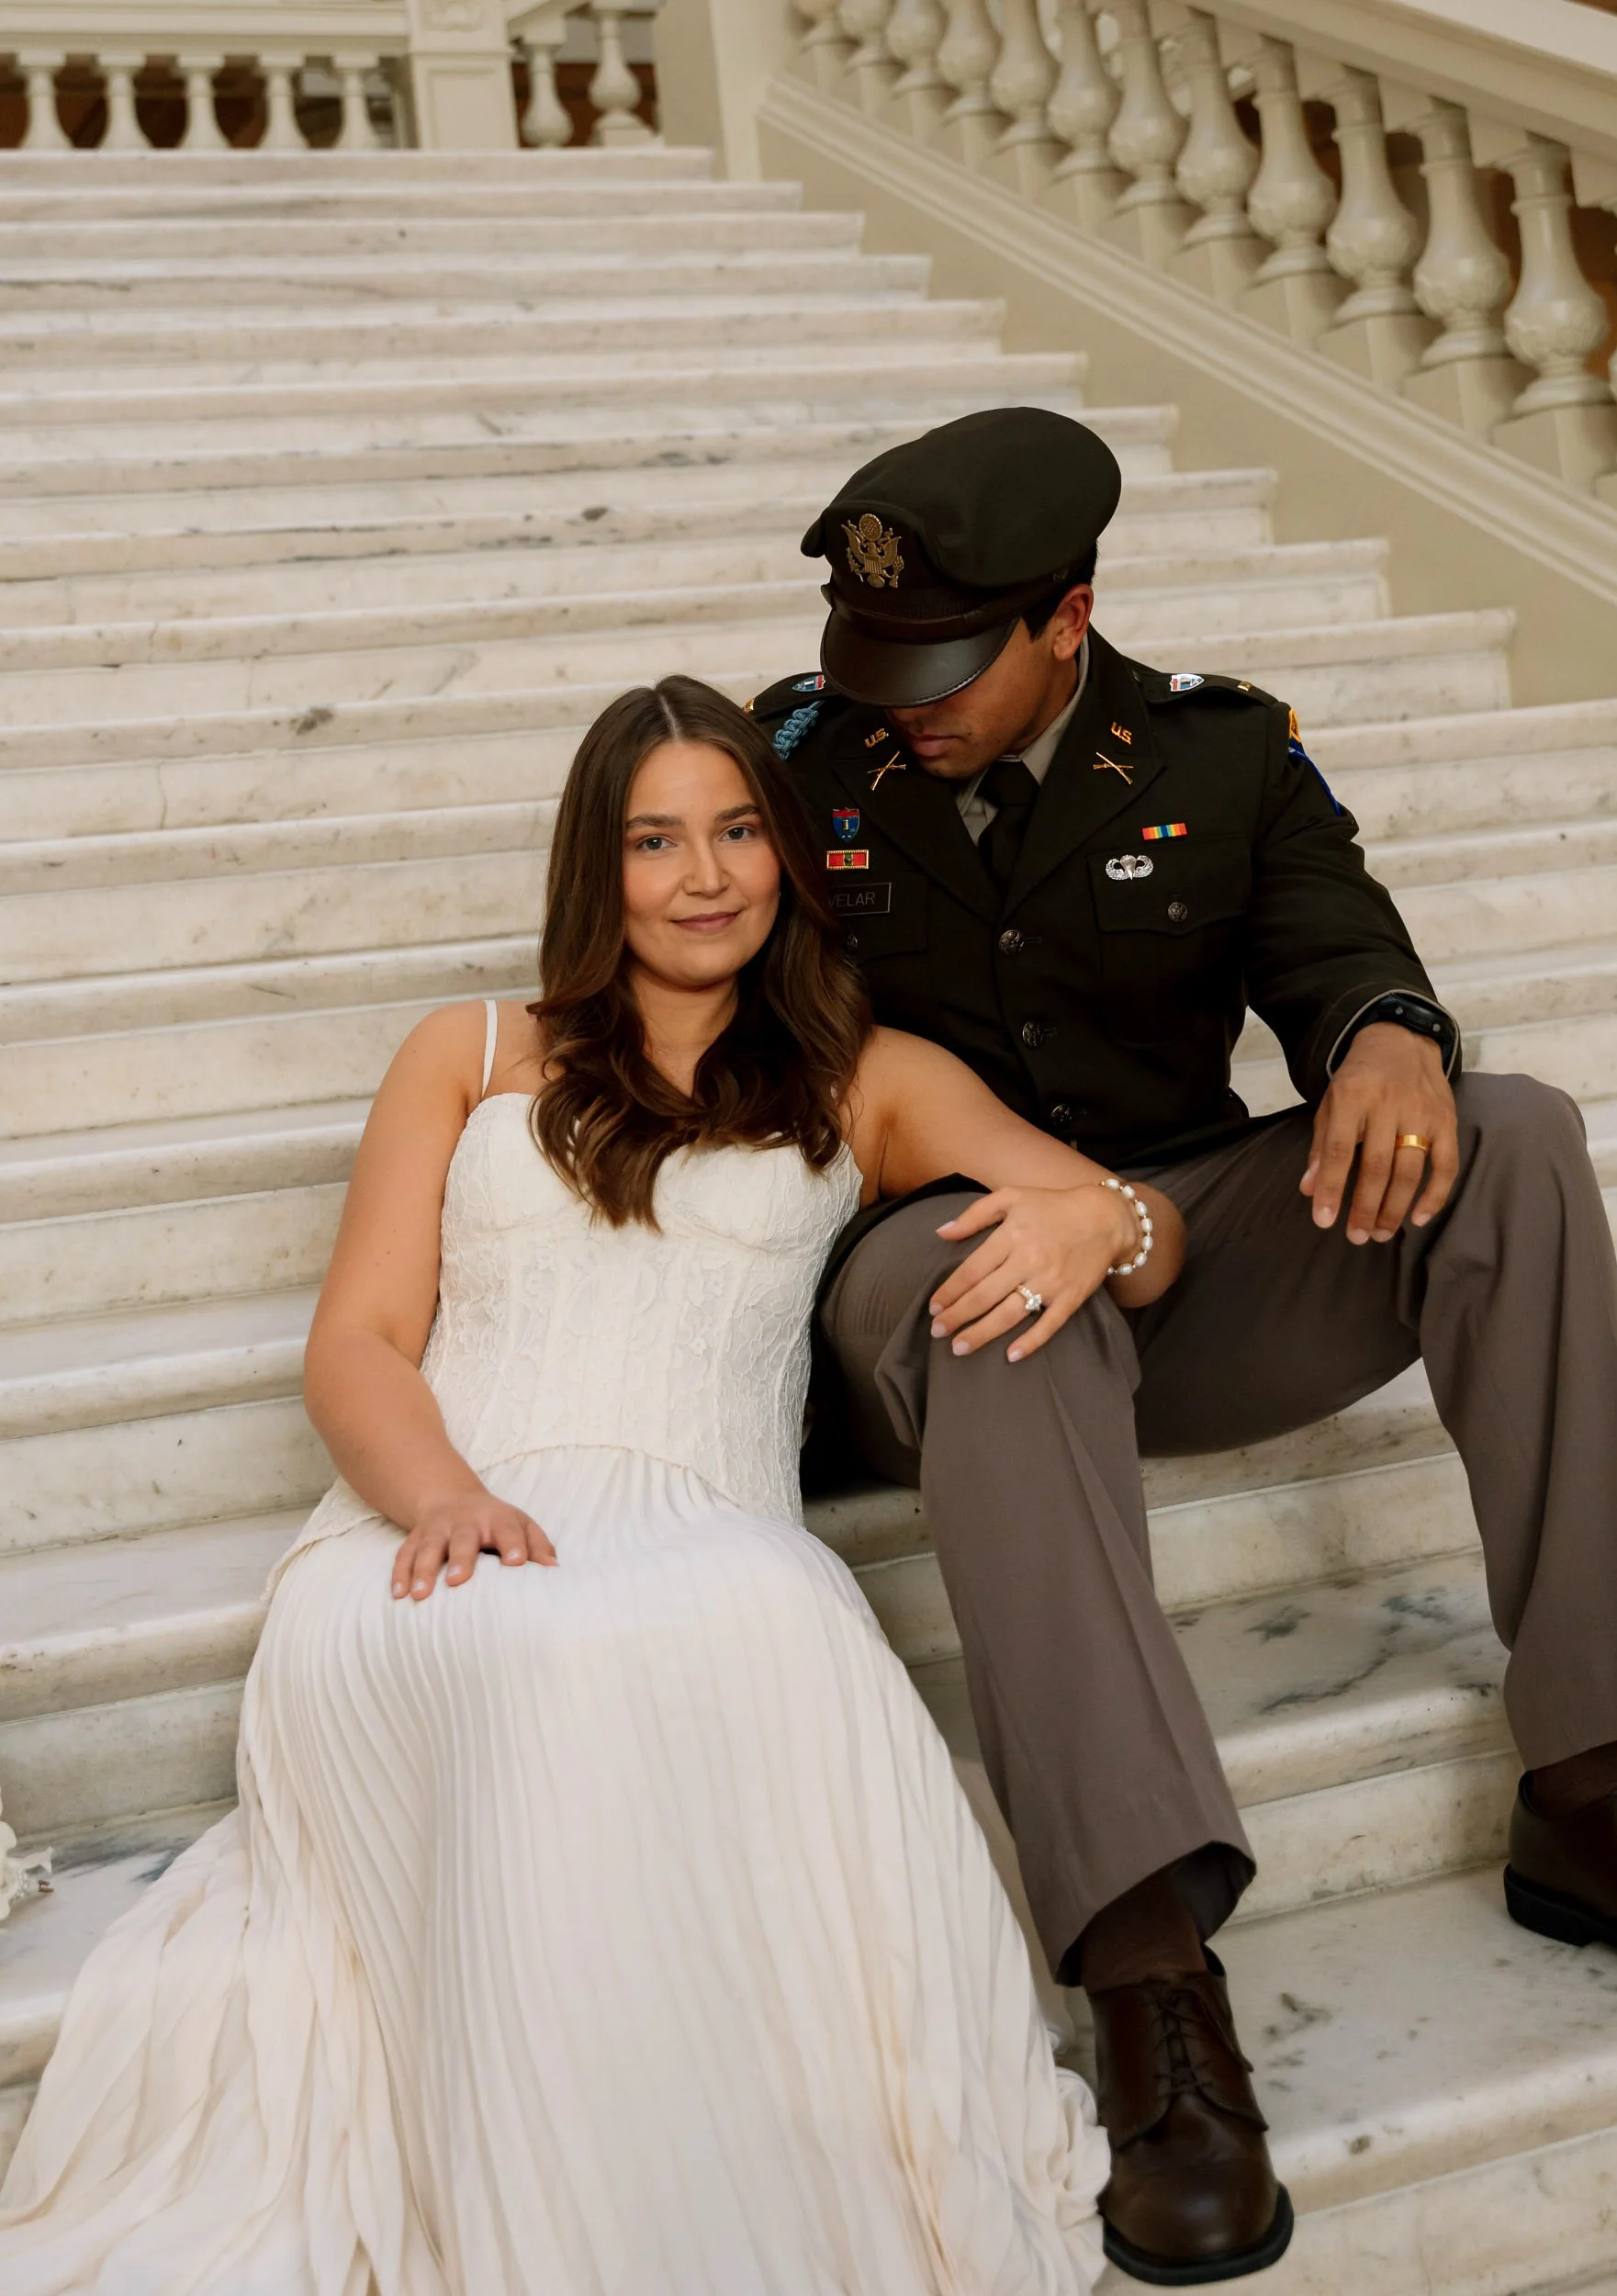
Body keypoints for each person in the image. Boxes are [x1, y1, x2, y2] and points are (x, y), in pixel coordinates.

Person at [752, 405, 1617, 2287]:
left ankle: (1592, 1785)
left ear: (1066, 619)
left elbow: (1342, 948)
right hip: (919, 1281)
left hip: (1174, 1257)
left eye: (942, 663)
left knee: (1517, 1137)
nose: (898, 699)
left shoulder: (1220, 757)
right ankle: (1151, 1974)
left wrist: (1394, 1031)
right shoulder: (798, 762)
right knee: (998, 1277)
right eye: (876, 662)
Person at [0, 674, 1210, 2294]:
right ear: (599, 864)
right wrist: (437, 1494)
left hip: (711, 1528)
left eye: (734, 833)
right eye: (656, 840)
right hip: (430, 1532)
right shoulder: (471, 1052)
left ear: (786, 856)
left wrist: (1103, 1222)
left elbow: (1138, 1233)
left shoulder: (871, 1077)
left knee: (762, 1631)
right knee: (549, 1651)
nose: (702, 876)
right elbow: (356, 1342)